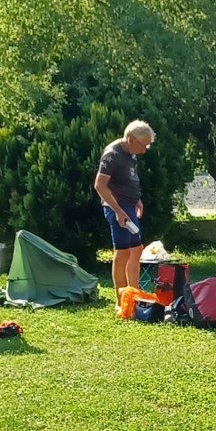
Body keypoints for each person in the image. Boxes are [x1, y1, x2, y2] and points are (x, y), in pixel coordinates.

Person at [94, 119, 154, 305]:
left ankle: (134, 295)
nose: (145, 150)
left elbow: (129, 179)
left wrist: (137, 198)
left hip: (130, 205)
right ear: (130, 139)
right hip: (117, 207)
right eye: (143, 145)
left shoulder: (131, 154)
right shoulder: (112, 154)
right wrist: (118, 211)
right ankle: (122, 301)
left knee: (136, 249)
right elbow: (99, 185)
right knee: (123, 252)